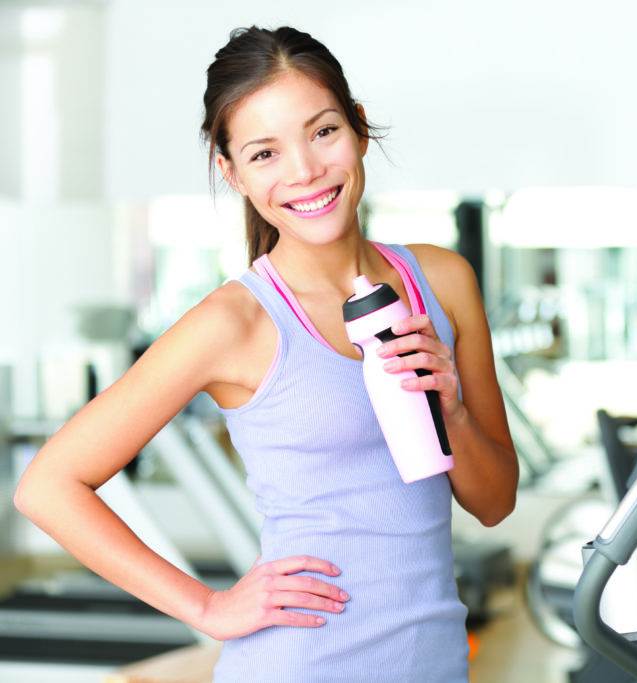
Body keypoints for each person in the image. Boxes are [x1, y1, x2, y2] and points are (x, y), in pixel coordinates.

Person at [13, 25, 518, 682]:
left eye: (323, 132)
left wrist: (448, 409)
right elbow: (48, 486)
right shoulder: (234, 322)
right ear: (232, 172)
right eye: (264, 153)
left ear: (359, 128)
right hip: (299, 662)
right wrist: (207, 606)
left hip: (436, 663)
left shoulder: (444, 282)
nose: (304, 170)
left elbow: (495, 501)